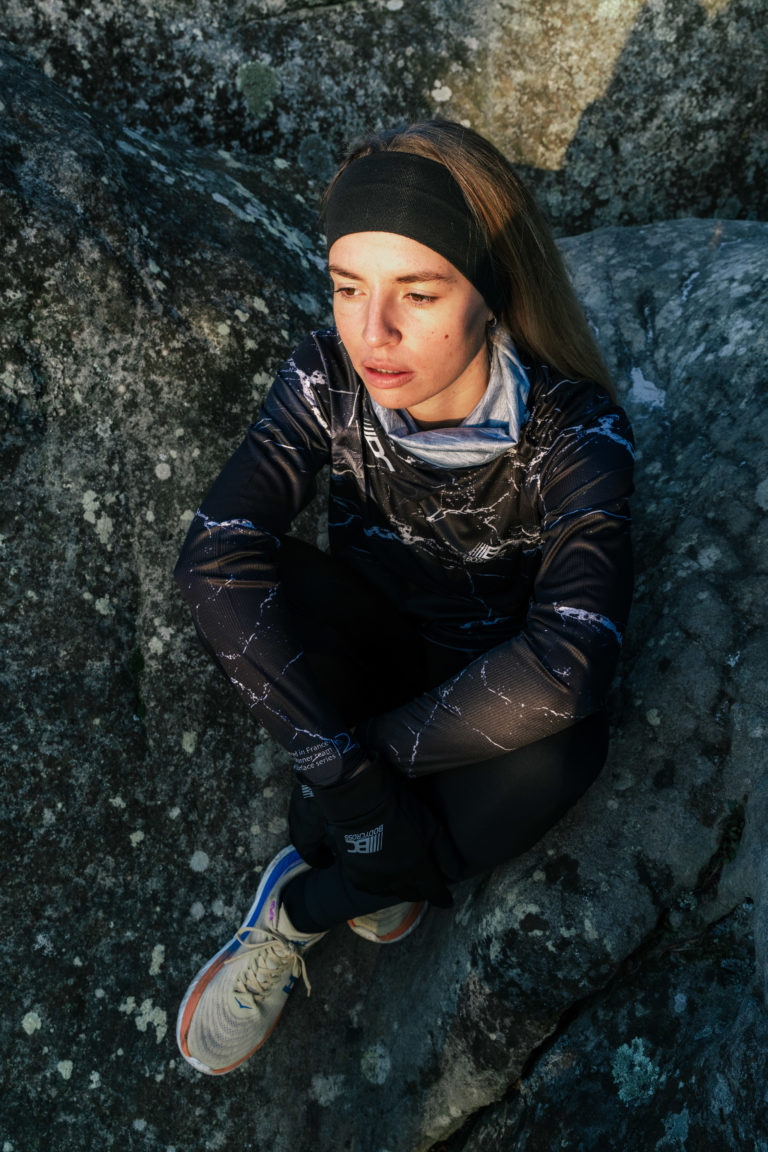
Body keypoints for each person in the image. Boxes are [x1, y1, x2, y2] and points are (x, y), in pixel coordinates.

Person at [173, 119, 634, 1076]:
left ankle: (308, 901)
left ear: (492, 290)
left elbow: (567, 663)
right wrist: (346, 773)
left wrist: (353, 775)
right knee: (249, 583)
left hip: (487, 696)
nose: (371, 332)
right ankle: (381, 853)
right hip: (372, 645)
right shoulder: (326, 376)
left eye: (417, 294)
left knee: (569, 747)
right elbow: (216, 557)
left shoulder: (575, 433)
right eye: (348, 287)